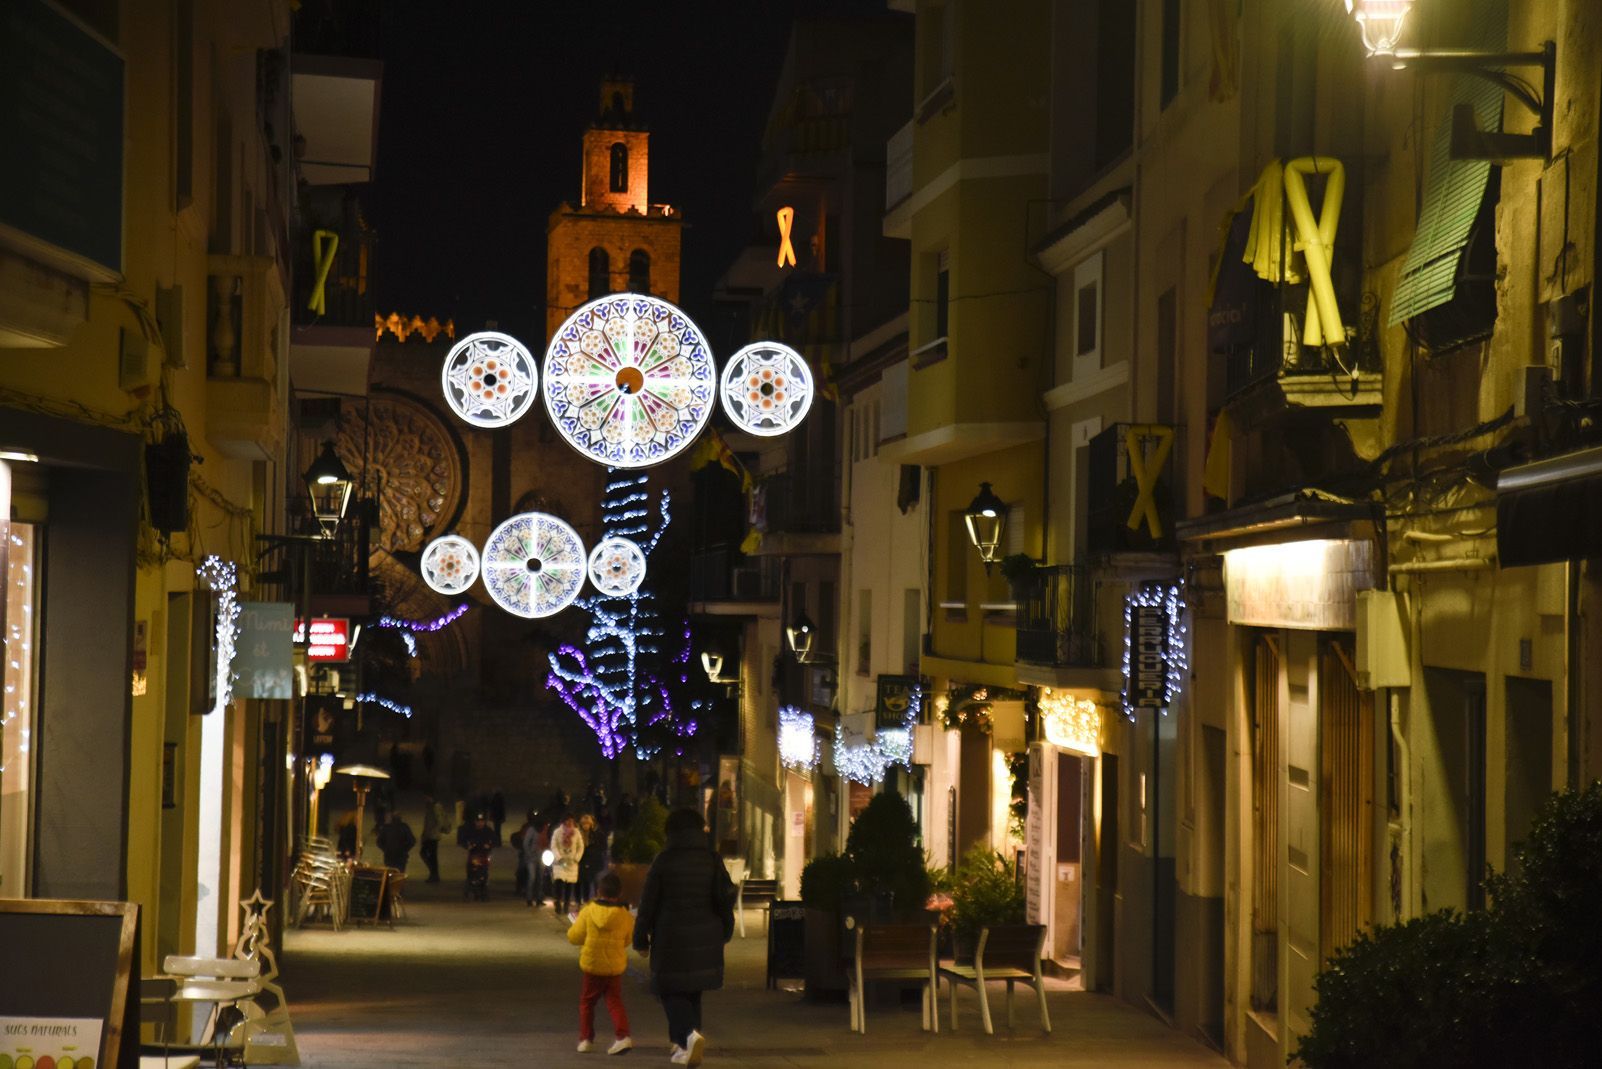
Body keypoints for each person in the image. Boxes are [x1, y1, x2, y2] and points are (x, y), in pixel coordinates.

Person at [632, 809, 735, 1066]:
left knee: (669, 989)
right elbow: (724, 898)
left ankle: (688, 1036)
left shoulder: (664, 860)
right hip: (706, 935)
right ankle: (683, 1046)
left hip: (670, 936)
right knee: (691, 992)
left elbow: (648, 903)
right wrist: (726, 929)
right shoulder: (711, 859)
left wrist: (640, 938)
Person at [566, 870, 635, 1055]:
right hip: (614, 967)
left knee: (587, 1002)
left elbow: (574, 937)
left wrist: (575, 924)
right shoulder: (625, 915)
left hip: (593, 964)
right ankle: (623, 1036)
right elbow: (628, 939)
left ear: (598, 891)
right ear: (619, 893)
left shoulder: (588, 911)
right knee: (614, 1001)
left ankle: (586, 1039)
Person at [550, 813, 586, 915]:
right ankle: (557, 901)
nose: (569, 822)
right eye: (567, 820)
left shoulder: (577, 833)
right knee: (559, 882)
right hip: (560, 862)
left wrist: (576, 858)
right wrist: (558, 857)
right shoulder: (557, 832)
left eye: (571, 820)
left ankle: (566, 904)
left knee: (569, 885)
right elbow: (554, 846)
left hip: (572, 863)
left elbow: (581, 846)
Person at [463, 812, 497, 901]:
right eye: (478, 821)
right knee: (470, 873)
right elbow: (464, 840)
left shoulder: (488, 831)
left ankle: (484, 892)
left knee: (484, 874)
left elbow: (494, 841)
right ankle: (470, 890)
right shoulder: (471, 830)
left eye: (482, 821)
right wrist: (468, 846)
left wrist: (489, 846)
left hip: (484, 856)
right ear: (475, 822)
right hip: (473, 855)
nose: (480, 823)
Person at [420, 795, 448, 883]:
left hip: (432, 836)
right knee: (429, 855)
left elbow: (439, 821)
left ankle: (434, 875)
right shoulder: (430, 806)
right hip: (429, 835)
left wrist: (432, 832)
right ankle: (433, 874)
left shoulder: (435, 807)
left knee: (430, 855)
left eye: (427, 797)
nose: (425, 799)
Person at [522, 816, 549, 907]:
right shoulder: (532, 830)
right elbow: (526, 843)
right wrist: (529, 854)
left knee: (540, 878)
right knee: (532, 877)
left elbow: (548, 843)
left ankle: (539, 898)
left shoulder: (545, 830)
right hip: (532, 858)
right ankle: (529, 898)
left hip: (542, 857)